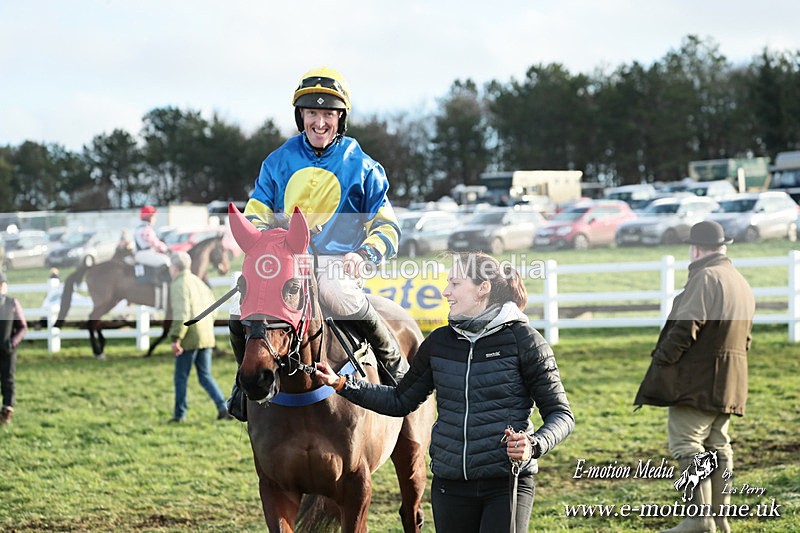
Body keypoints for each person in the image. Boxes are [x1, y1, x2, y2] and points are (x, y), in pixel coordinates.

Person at [315, 252, 574, 532]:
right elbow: (401, 400)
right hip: (449, 485)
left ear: (482, 288)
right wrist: (342, 384)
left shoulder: (525, 342)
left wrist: (533, 444)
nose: (445, 291)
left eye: (455, 283)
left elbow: (561, 414)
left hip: (505, 483)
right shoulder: (439, 343)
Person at [226, 66, 406, 421]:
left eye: (328, 114)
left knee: (335, 290)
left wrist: (364, 254)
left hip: (337, 266)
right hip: (286, 266)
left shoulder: (364, 167)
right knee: (239, 306)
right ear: (301, 116)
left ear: (341, 119)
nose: (319, 122)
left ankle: (395, 367)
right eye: (312, 113)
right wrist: (263, 243)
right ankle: (243, 385)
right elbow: (257, 215)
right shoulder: (277, 162)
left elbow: (388, 226)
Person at [634, 220, 755, 533]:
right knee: (718, 445)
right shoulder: (739, 281)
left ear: (696, 248)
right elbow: (746, 339)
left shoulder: (706, 277)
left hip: (697, 382)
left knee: (687, 445)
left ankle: (698, 519)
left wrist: (661, 364)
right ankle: (719, 520)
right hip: (730, 381)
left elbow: (685, 328)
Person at [167, 251, 231, 423]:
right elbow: (214, 309)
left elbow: (182, 313)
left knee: (181, 377)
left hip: (190, 337)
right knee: (205, 375)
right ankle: (223, 408)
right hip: (206, 335)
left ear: (174, 267)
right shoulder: (199, 281)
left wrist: (176, 338)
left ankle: (179, 415)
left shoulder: (179, 284)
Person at [1, 271, 28, 425]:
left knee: (7, 380)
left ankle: (6, 410)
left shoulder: (12, 303)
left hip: (7, 349)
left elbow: (22, 327)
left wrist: (12, 343)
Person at [133, 205, 171, 270]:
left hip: (141, 254)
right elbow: (155, 242)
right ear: (149, 217)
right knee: (166, 261)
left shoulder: (140, 228)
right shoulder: (146, 229)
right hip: (144, 254)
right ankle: (163, 280)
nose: (155, 219)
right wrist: (166, 249)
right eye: (154, 217)